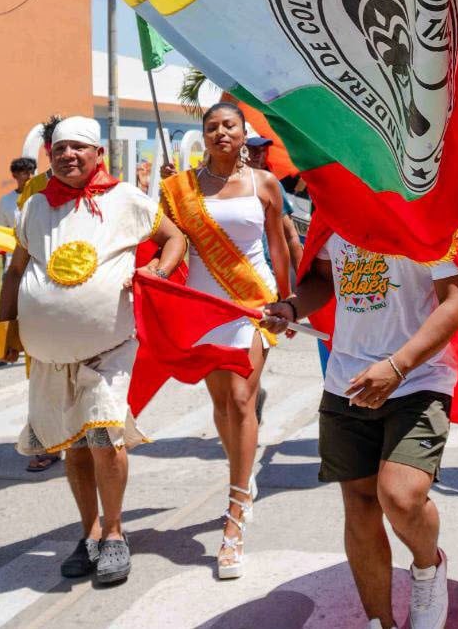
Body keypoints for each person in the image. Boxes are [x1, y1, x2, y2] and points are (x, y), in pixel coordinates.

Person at [0, 115, 185, 586]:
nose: (68, 156)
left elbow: (174, 239)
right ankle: (90, 533)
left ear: (97, 154)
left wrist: (158, 274)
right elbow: (16, 271)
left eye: (78, 148)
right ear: (51, 156)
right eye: (60, 150)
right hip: (50, 356)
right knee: (74, 443)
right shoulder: (35, 207)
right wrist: (4, 330)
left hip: (111, 347)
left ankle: (116, 534)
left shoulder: (125, 198)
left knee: (103, 435)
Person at [261, 235, 458, 629]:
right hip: (346, 381)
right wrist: (291, 307)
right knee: (359, 504)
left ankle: (428, 567)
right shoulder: (335, 206)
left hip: (417, 378)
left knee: (401, 497)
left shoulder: (423, 208)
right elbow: (323, 277)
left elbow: (456, 299)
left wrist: (398, 366)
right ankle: (380, 622)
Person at [159, 101, 291, 578]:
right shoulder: (184, 188)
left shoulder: (265, 184)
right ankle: (243, 472)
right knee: (220, 404)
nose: (220, 133)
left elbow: (277, 246)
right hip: (204, 306)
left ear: (243, 133)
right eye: (211, 127)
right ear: (204, 135)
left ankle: (234, 516)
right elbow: (161, 238)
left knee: (241, 399)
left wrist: (288, 301)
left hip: (250, 304)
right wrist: (162, 192)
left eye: (228, 125)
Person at [245, 135, 304, 274]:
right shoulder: (219, 185)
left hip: (267, 274)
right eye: (253, 149)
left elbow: (290, 235)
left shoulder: (271, 185)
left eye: (263, 150)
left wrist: (303, 282)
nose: (259, 155)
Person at [0, 157, 37, 230]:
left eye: (32, 173)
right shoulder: (5, 201)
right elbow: (1, 228)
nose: (29, 177)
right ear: (14, 175)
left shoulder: (41, 197)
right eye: (25, 173)